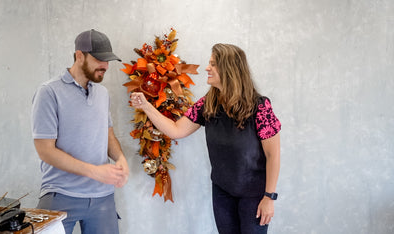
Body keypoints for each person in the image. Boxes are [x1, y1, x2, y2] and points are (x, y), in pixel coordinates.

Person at [130, 43, 281, 234]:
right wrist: (146, 106)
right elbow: (176, 130)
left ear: (230, 69)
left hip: (254, 196)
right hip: (222, 192)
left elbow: (273, 155)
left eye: (213, 64)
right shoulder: (208, 104)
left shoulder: (260, 107)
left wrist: (269, 197)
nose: (207, 68)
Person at [31, 29, 129, 234]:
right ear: (79, 55)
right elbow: (45, 151)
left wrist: (120, 158)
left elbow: (108, 134)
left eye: (108, 60)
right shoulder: (49, 92)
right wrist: (95, 171)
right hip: (60, 195)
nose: (105, 66)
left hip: (102, 197)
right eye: (99, 59)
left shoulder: (102, 93)